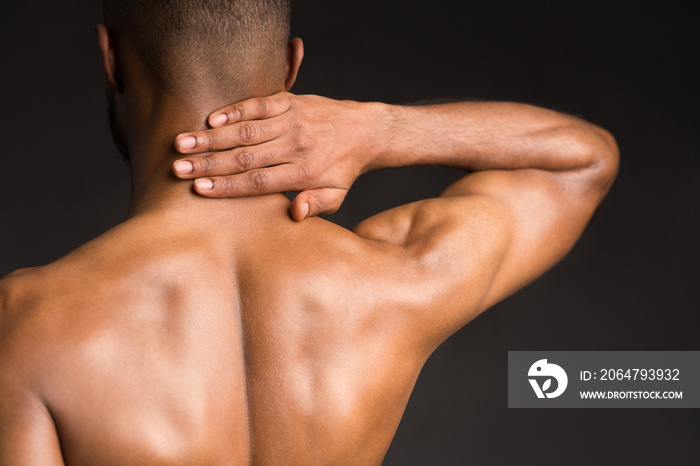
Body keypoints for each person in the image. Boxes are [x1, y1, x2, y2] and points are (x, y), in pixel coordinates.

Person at [0, 0, 618, 463]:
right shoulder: (393, 282)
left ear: (111, 59)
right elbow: (583, 160)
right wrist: (381, 130)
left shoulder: (26, 324)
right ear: (293, 67)